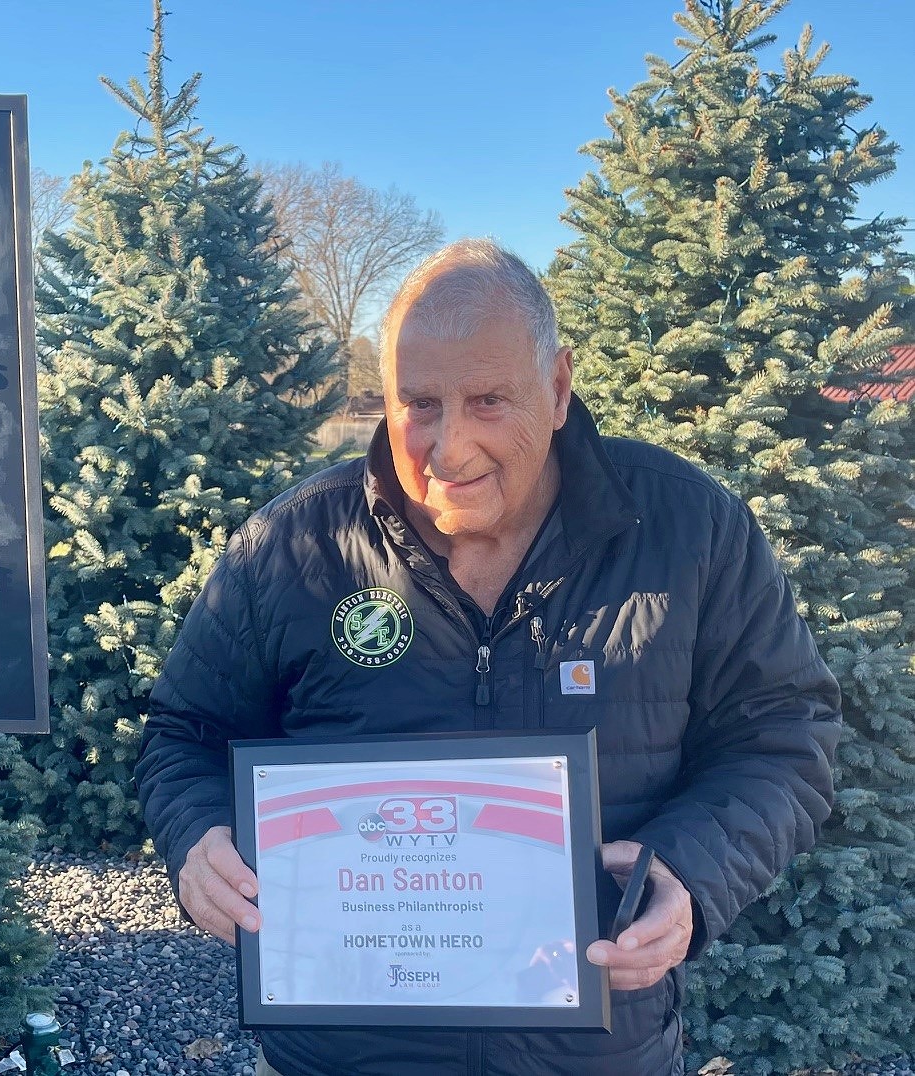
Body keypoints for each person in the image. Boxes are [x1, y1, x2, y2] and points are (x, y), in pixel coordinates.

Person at [134, 238, 840, 1076]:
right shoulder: (292, 546)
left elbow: (784, 736)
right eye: (420, 403)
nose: (450, 447)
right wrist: (197, 835)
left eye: (489, 400)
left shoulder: (693, 531)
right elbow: (183, 733)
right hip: (339, 1052)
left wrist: (687, 869)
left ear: (558, 386)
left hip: (595, 1052)